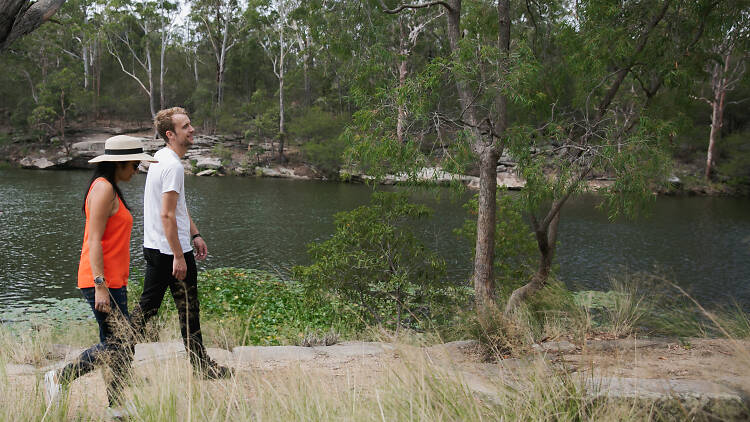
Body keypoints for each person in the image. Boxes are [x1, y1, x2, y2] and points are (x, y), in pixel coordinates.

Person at [44, 136, 157, 416]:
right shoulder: (104, 189)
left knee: (119, 343)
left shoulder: (110, 187)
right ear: (119, 164)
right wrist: (100, 285)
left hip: (114, 280)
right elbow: (93, 241)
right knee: (119, 343)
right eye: (134, 164)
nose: (137, 169)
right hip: (101, 281)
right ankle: (59, 378)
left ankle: (117, 406)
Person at [131, 107, 231, 379]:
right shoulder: (172, 165)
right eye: (185, 126)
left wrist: (195, 234)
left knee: (154, 309)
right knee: (180, 310)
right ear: (170, 134)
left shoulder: (161, 158)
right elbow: (166, 214)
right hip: (169, 252)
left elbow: (177, 207)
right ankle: (113, 355)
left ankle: (118, 357)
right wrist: (178, 255)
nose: (192, 129)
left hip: (158, 247)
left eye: (190, 124)